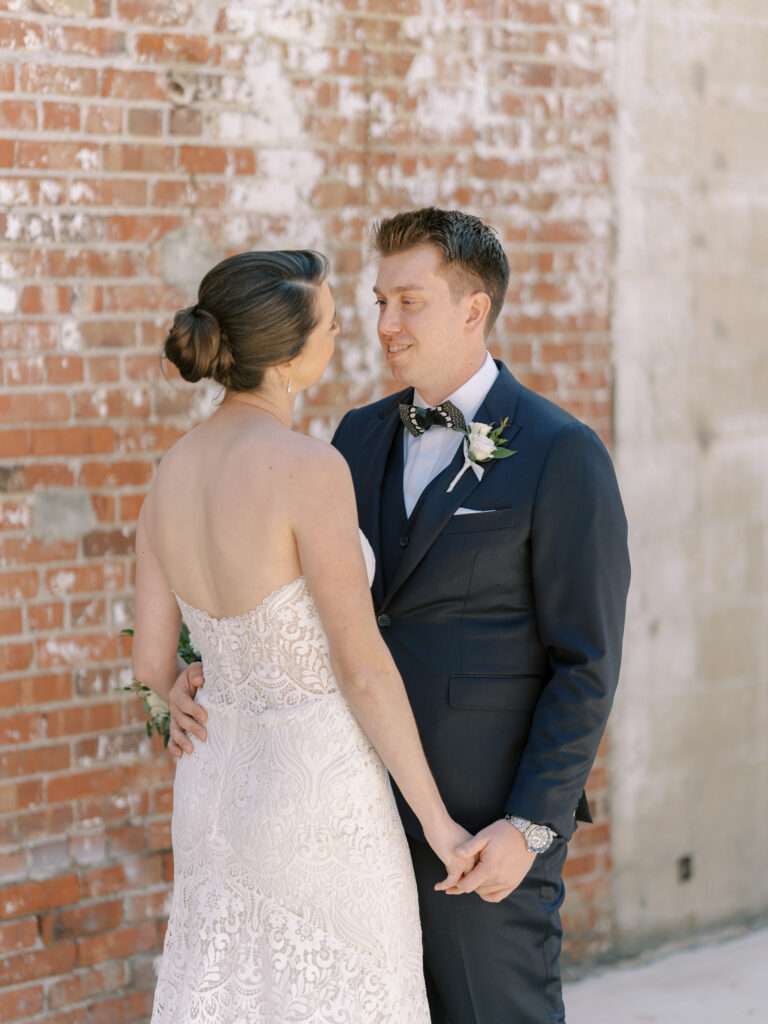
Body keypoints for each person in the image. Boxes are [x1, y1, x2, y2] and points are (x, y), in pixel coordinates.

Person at [171, 209, 631, 1023]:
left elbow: (585, 664)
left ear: (472, 309)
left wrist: (528, 827)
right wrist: (200, 665)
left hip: (475, 828)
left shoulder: (563, 453)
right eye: (378, 301)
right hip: (341, 818)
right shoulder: (354, 437)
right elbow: (288, 586)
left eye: (408, 302)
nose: (384, 324)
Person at [131, 249, 474, 1024]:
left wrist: (173, 699)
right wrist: (437, 821)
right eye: (329, 321)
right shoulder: (307, 468)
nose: (345, 331)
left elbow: (152, 665)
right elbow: (362, 668)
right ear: (287, 354)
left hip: (215, 791)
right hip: (317, 802)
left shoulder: (170, 473)